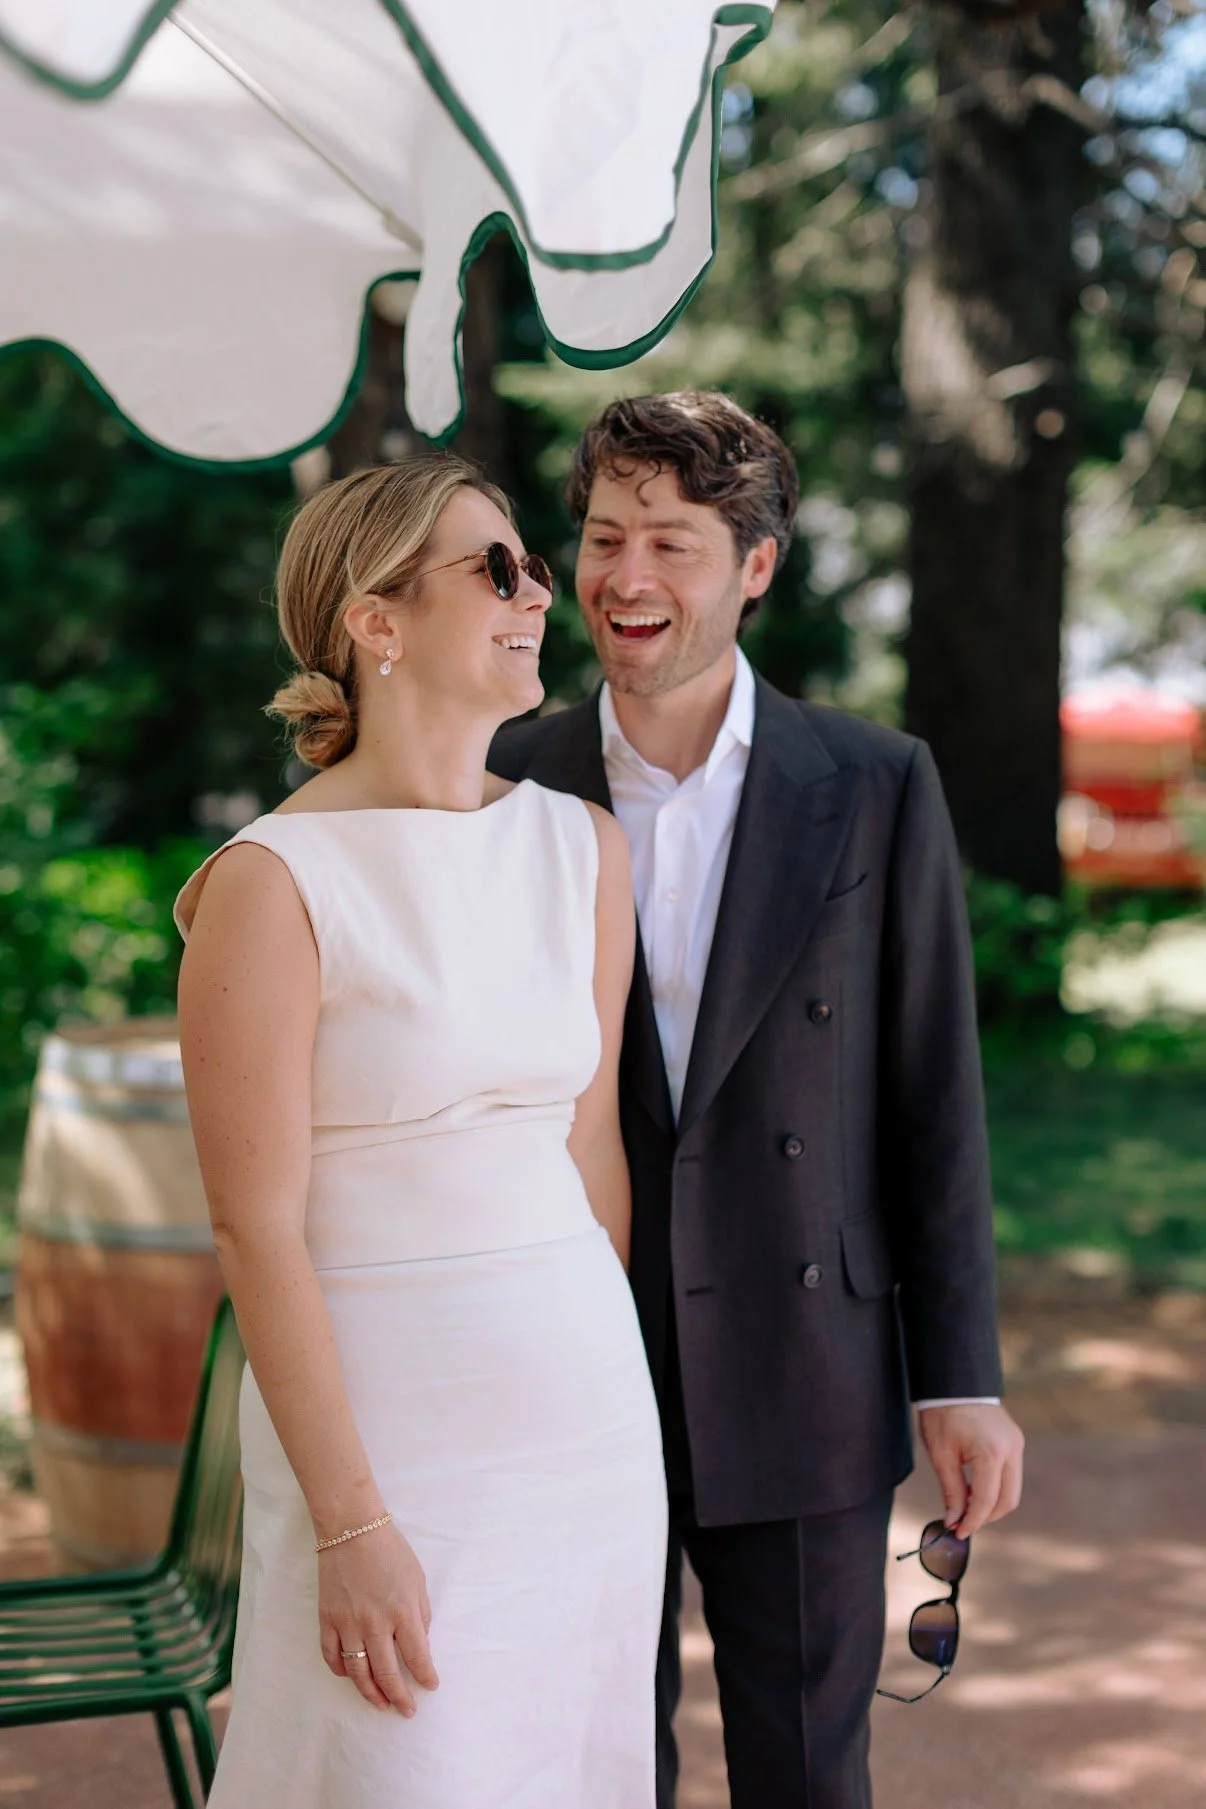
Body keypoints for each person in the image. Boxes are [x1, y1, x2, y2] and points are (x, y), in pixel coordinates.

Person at [490, 390, 1026, 1809]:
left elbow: (931, 1095)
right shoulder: (502, 782)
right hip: (571, 1345)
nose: (625, 578)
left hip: (807, 1355)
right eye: (604, 537)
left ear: (755, 565)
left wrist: (956, 1373)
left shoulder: (871, 783)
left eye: (669, 540)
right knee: (593, 1757)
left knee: (803, 1767)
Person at [174, 455, 667, 1809]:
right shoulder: (270, 884)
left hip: (584, 1429)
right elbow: (251, 1226)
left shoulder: (583, 850)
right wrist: (351, 1524)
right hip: (390, 1446)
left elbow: (591, 1150)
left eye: (531, 563)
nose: (536, 591)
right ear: (374, 622)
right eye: (492, 567)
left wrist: (602, 1374)